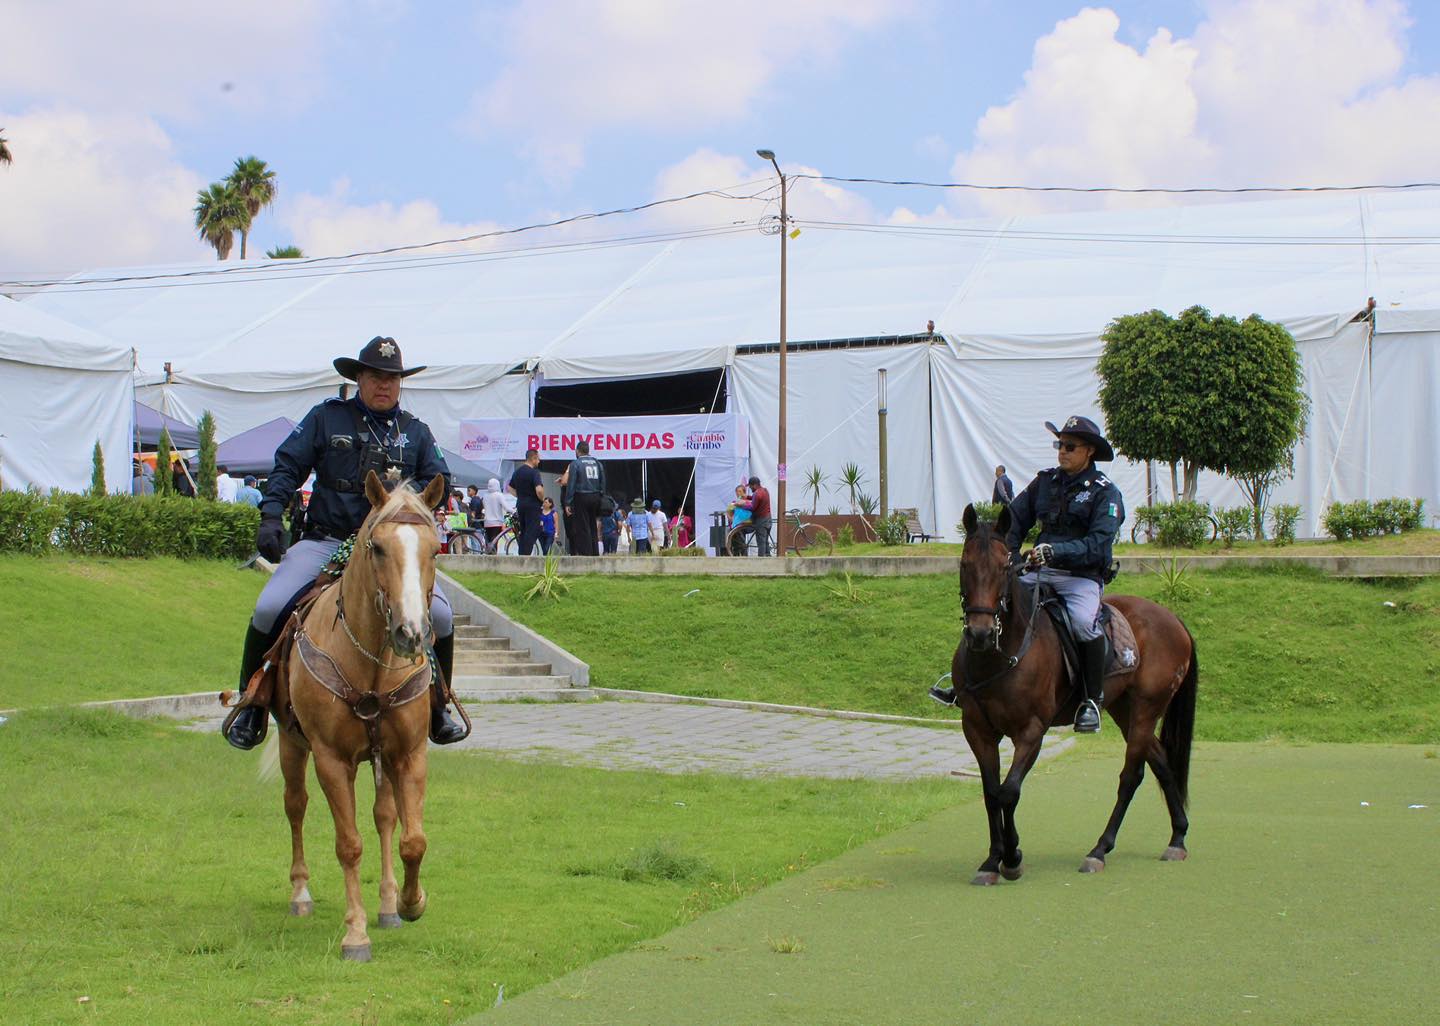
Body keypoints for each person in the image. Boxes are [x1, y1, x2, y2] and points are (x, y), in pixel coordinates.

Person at [223, 335, 466, 750]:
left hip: (389, 552)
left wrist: (405, 499)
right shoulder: (326, 418)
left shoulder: (416, 432)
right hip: (328, 540)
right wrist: (270, 515)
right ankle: (253, 701)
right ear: (358, 378)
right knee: (268, 606)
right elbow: (287, 465)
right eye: (375, 376)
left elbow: (438, 483)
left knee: (441, 618)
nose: (384, 385)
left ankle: (439, 704)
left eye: (392, 378)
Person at [931, 415, 1124, 734]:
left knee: (1081, 623)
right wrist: (1010, 555)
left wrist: (1056, 551)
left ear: (1089, 451)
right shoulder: (1045, 482)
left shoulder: (1106, 493)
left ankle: (1091, 701)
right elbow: (1014, 521)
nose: (1062, 451)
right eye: (1059, 445)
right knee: (991, 602)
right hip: (1038, 571)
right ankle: (964, 683)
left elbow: (1099, 542)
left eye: (1070, 446)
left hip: (1081, 577)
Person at [561, 440, 606, 556]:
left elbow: (571, 484)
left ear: (577, 451)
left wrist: (568, 502)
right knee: (592, 524)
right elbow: (603, 482)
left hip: (581, 496)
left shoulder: (575, 463)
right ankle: (595, 551)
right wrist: (601, 496)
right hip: (595, 496)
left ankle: (586, 553)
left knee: (582, 525)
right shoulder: (597, 463)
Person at [507, 448, 545, 555]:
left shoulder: (517, 472)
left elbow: (509, 488)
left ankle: (521, 554)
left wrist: (520, 496)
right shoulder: (534, 473)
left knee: (523, 532)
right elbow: (539, 490)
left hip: (521, 504)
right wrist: (542, 499)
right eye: (538, 459)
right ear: (533, 458)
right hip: (533, 505)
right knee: (532, 531)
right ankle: (526, 556)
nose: (539, 461)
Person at [736, 475, 772, 556]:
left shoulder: (757, 494)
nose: (750, 488)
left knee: (761, 542)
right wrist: (747, 497)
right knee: (765, 541)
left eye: (751, 486)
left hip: (761, 521)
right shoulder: (765, 491)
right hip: (768, 519)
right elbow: (756, 499)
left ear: (755, 485)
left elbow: (752, 507)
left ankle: (760, 561)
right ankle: (768, 558)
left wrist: (741, 505)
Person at [480, 476, 508, 550]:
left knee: (488, 541)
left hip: (487, 522)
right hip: (496, 522)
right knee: (494, 541)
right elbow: (506, 507)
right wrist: (513, 511)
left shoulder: (485, 495)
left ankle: (488, 555)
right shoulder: (499, 495)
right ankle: (493, 556)